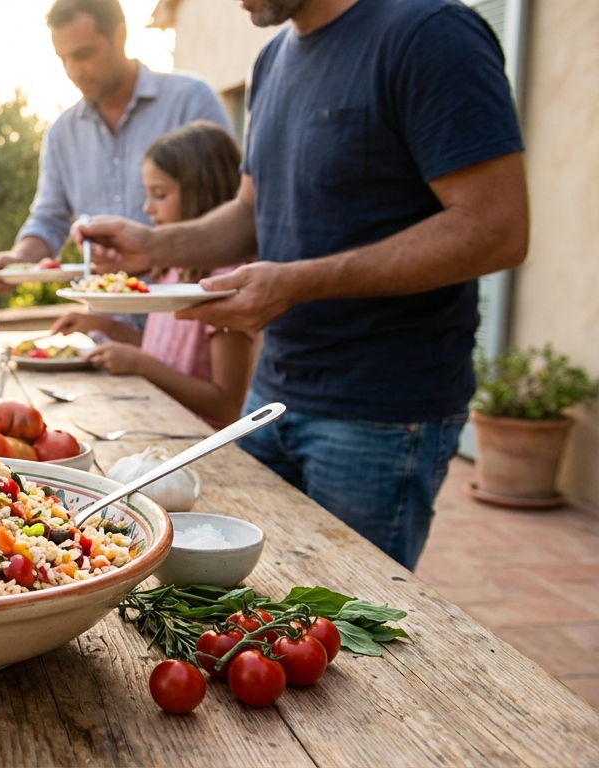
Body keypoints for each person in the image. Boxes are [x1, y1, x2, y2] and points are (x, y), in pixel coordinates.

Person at [73, 0, 529, 569]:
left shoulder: (429, 34)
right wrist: (156, 246)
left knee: (350, 614)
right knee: (261, 597)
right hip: (276, 396)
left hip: (380, 412)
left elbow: (497, 229)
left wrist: (297, 282)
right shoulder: (271, 63)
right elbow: (249, 212)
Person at [0, 0, 230, 300]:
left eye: (83, 54)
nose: (74, 71)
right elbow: (50, 219)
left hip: (186, 317)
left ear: (120, 36)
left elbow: (228, 208)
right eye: (63, 59)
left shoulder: (191, 100)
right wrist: (18, 259)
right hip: (105, 327)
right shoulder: (62, 133)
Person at [52, 121, 254, 427]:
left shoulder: (222, 281)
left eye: (159, 194)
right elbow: (168, 356)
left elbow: (227, 405)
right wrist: (105, 325)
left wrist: (139, 365)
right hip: (158, 425)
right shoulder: (173, 271)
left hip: (200, 443)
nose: (147, 208)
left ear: (202, 192)